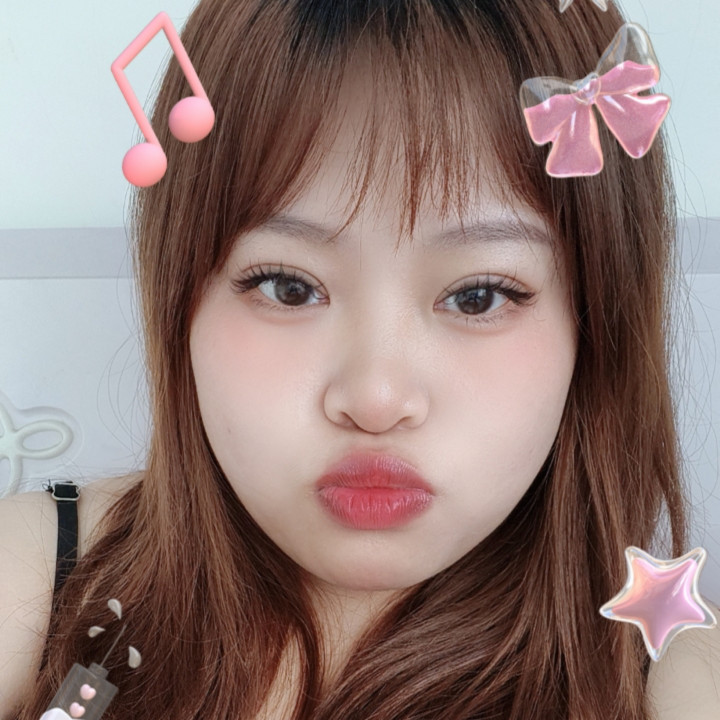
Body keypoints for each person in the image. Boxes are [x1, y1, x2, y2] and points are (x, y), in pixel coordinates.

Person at [1, 0, 719, 718]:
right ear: (181, 299)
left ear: (594, 325)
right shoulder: (41, 574)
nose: (376, 399)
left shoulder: (668, 669)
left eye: (478, 297)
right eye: (288, 287)